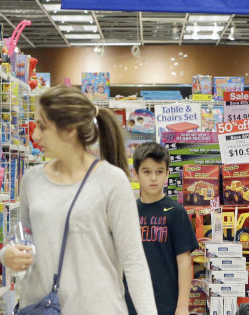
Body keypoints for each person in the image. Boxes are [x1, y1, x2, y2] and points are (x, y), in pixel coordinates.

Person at [0, 86, 157, 314]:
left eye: (43, 126)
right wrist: (7, 255)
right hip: (39, 308)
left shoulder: (112, 181)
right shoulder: (32, 180)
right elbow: (23, 240)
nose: (35, 135)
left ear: (69, 130)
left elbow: (134, 262)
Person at [125, 142, 199, 315]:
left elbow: (184, 262)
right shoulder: (127, 211)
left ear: (167, 174)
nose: (153, 178)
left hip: (167, 304)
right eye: (146, 172)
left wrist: (182, 306)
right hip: (131, 303)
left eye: (159, 172)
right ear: (135, 174)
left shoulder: (176, 212)